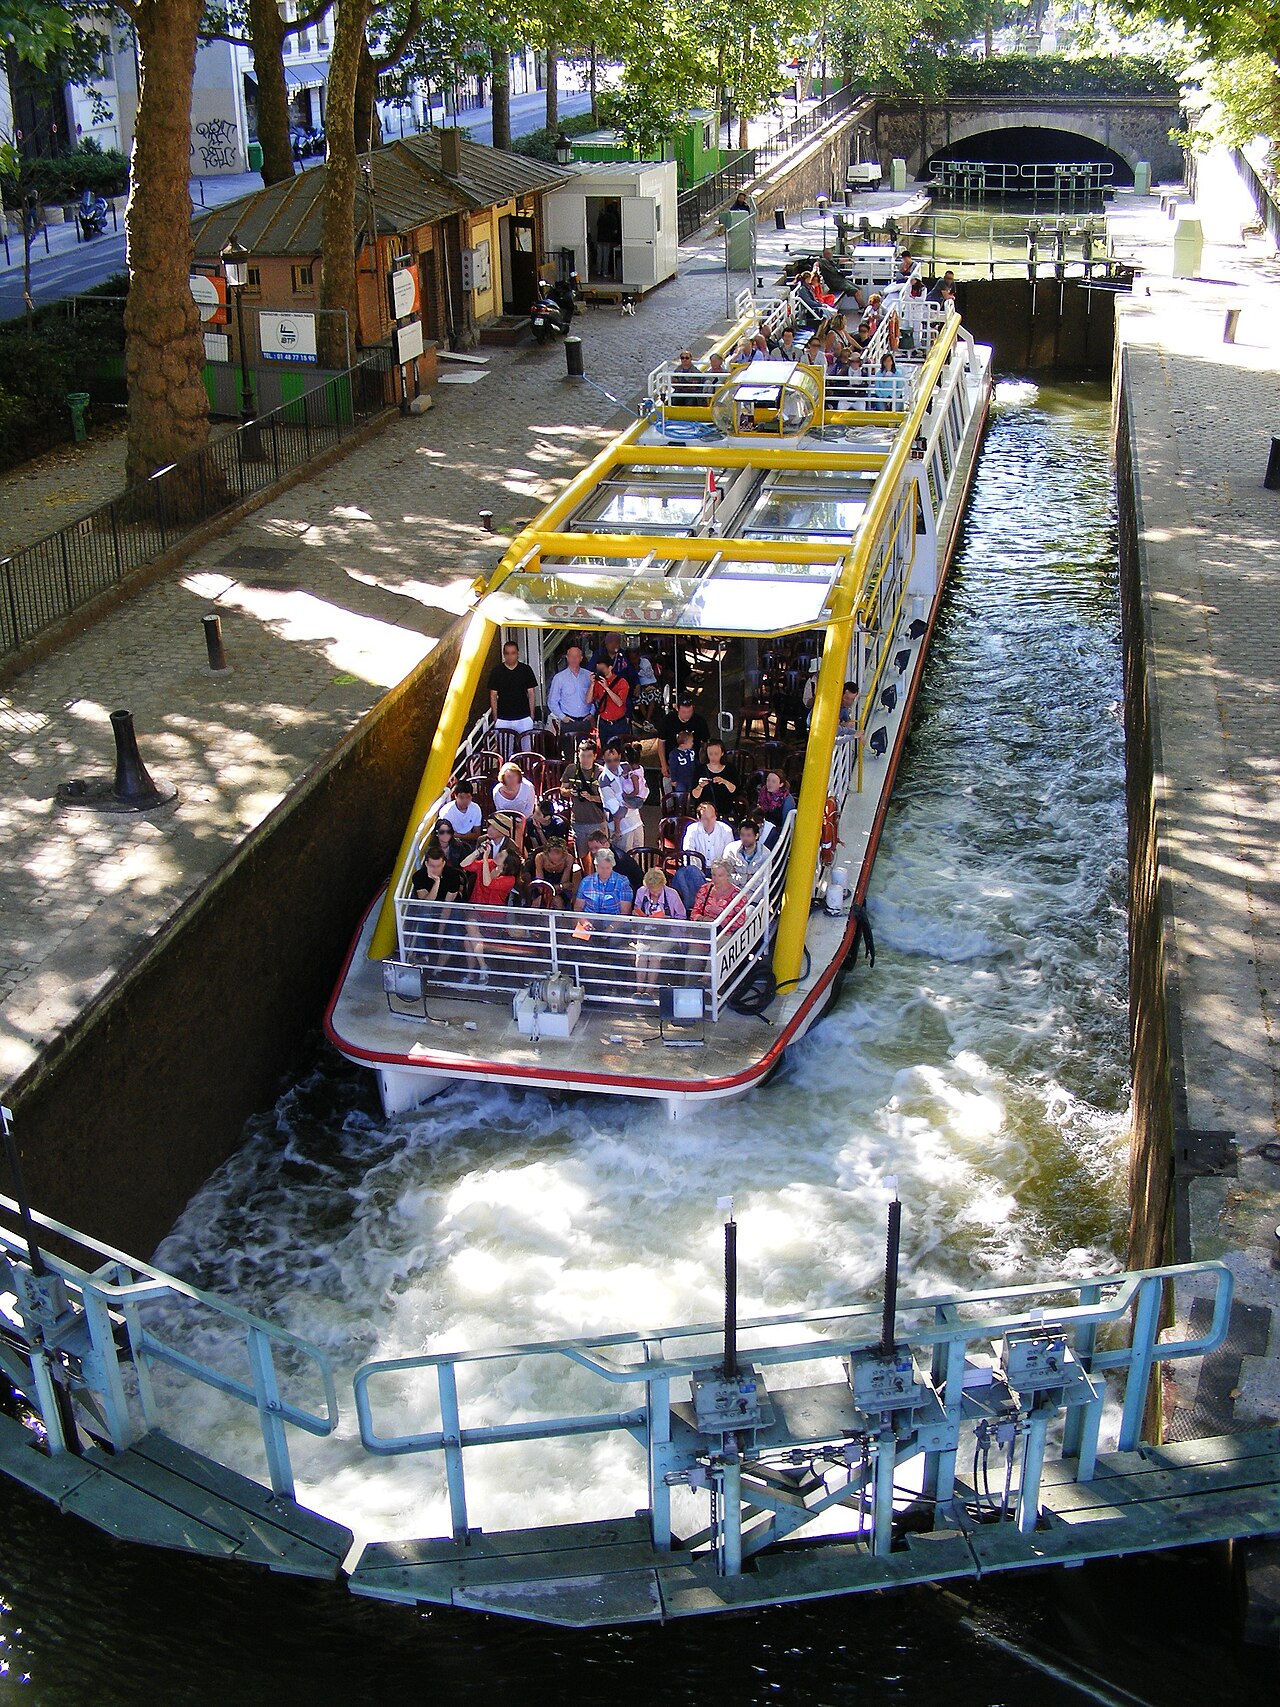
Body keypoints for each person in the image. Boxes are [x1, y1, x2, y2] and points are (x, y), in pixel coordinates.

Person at [459, 841, 520, 980]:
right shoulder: (490, 863)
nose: (497, 855)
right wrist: (478, 852)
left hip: (493, 917)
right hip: (476, 909)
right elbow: (464, 865)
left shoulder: (509, 879)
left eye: (501, 855)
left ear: (506, 864)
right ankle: (483, 967)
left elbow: (487, 882)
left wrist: (485, 859)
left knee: (468, 939)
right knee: (471, 927)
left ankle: (472, 974)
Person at [633, 866, 687, 995]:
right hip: (646, 933)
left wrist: (668, 920)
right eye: (652, 890)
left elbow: (682, 918)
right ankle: (639, 989)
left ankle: (649, 990)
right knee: (641, 953)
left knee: (654, 954)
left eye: (657, 890)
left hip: (668, 934)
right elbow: (636, 910)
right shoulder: (641, 892)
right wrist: (638, 915)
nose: (654, 893)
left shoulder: (672, 894)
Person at [676, 802, 733, 909]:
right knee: (686, 874)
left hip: (719, 869)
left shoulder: (726, 830)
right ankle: (698, 907)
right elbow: (688, 854)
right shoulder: (692, 829)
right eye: (705, 818)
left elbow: (728, 856)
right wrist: (699, 873)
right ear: (699, 819)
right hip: (698, 870)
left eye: (712, 817)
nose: (709, 821)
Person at [487, 640, 538, 752]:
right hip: (503, 718)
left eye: (513, 653)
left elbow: (531, 693)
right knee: (505, 752)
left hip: (524, 718)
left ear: (518, 653)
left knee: (527, 751)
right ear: (504, 654)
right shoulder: (497, 671)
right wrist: (496, 718)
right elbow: (493, 695)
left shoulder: (526, 670)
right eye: (507, 653)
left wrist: (531, 715)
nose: (510, 656)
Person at [546, 643, 595, 757]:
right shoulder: (559, 678)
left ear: (581, 658)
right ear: (567, 658)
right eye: (571, 656)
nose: (574, 659)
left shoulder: (589, 676)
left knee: (587, 755)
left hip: (585, 722)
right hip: (568, 723)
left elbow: (595, 698)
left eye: (577, 656)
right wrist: (563, 717)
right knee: (569, 756)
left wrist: (592, 713)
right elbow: (552, 702)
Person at [562, 739, 607, 857]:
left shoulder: (601, 772)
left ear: (595, 756)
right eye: (582, 756)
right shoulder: (571, 769)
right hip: (578, 821)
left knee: (600, 856)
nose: (585, 760)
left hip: (597, 821)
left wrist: (592, 798)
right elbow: (562, 790)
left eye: (589, 756)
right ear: (578, 755)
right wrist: (570, 792)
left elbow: (608, 799)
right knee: (582, 856)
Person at [659, 694, 709, 785]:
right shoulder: (668, 720)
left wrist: (702, 763)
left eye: (689, 711)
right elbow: (661, 743)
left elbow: (705, 744)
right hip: (672, 764)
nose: (687, 715)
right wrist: (663, 764)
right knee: (670, 785)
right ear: (677, 709)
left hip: (692, 764)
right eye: (684, 712)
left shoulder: (700, 722)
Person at [574, 845, 633, 917]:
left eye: (608, 868)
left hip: (613, 920)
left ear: (612, 866)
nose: (605, 871)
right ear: (596, 866)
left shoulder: (622, 882)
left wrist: (613, 925)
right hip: (590, 918)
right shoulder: (585, 882)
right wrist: (584, 921)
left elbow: (625, 912)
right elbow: (578, 908)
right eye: (602, 868)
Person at [690, 739, 740, 819]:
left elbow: (735, 790)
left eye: (716, 754)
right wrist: (700, 786)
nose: (713, 757)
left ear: (722, 753)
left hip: (725, 811)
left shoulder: (730, 769)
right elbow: (694, 795)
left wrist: (725, 782)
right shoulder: (700, 769)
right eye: (710, 754)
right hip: (706, 812)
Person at [585, 828, 644, 893]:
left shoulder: (618, 860)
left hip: (633, 890)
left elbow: (620, 883)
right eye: (591, 849)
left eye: (596, 848)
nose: (593, 852)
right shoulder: (604, 856)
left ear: (607, 844)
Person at [689, 859, 745, 927]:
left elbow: (740, 921)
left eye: (720, 876)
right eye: (714, 875)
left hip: (725, 931)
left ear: (728, 876)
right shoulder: (704, 889)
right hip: (705, 928)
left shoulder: (737, 895)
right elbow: (694, 913)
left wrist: (719, 924)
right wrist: (704, 919)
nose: (716, 879)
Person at [590, 655, 631, 741]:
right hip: (603, 723)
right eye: (598, 669)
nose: (600, 671)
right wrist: (592, 684)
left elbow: (619, 703)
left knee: (620, 746)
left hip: (618, 723)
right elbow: (588, 700)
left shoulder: (621, 682)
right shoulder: (597, 683)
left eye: (602, 669)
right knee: (604, 747)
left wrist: (607, 688)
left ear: (610, 668)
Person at [531, 836, 578, 908]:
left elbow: (564, 883)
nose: (555, 856)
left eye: (558, 854)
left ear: (563, 853)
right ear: (547, 852)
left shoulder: (568, 859)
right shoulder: (540, 857)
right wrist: (546, 894)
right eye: (552, 854)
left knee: (558, 901)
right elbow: (540, 882)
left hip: (560, 890)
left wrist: (557, 889)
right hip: (542, 888)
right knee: (537, 902)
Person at [492, 761, 537, 829]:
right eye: (508, 777)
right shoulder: (497, 791)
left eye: (514, 776)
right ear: (503, 777)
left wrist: (518, 822)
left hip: (525, 821)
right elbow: (499, 811)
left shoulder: (528, 787)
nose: (512, 780)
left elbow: (529, 810)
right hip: (506, 822)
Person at [725, 818, 769, 885]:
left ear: (756, 836)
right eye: (742, 835)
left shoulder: (765, 854)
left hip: (755, 891)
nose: (745, 838)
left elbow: (764, 881)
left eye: (749, 835)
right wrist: (746, 878)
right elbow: (726, 876)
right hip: (735, 890)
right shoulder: (730, 850)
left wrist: (738, 878)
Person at [440, 779, 482, 844]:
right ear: (455, 796)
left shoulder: (476, 808)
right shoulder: (446, 811)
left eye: (468, 797)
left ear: (471, 797)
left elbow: (477, 834)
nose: (465, 801)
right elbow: (446, 835)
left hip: (470, 842)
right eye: (461, 797)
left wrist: (459, 835)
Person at [665, 726, 699, 805]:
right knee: (681, 795)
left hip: (691, 777)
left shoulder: (691, 752)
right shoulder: (674, 754)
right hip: (680, 779)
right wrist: (673, 779)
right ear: (683, 744)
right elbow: (673, 767)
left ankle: (690, 807)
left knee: (691, 794)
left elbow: (695, 762)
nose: (692, 743)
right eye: (690, 742)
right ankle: (681, 808)